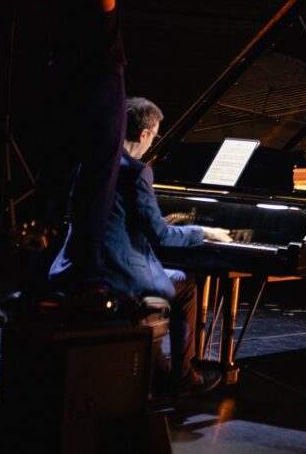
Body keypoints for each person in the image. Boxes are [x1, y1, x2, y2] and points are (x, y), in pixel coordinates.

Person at [30, 0, 172, 291]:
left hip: (59, 82)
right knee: (97, 181)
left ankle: (40, 272)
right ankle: (86, 275)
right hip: (99, 87)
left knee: (55, 178)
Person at [50, 97, 232, 395]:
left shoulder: (91, 163)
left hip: (74, 267)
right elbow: (160, 235)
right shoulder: (136, 172)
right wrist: (203, 232)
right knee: (186, 284)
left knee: (164, 276)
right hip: (115, 276)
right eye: (155, 135)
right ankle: (183, 376)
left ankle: (158, 366)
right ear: (145, 134)